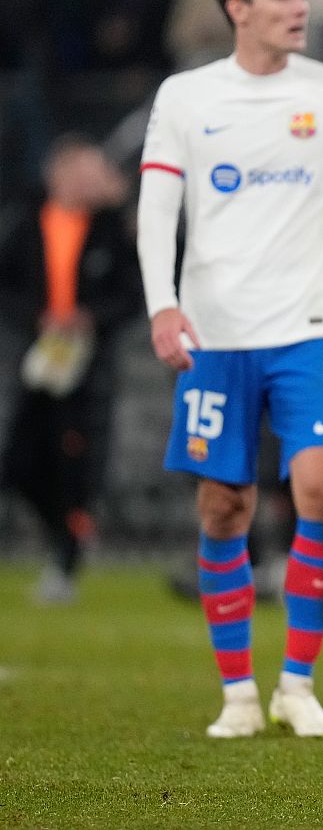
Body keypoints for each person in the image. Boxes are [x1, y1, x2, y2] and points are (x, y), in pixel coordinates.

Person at [135, 0, 323, 740]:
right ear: (239, 8)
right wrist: (164, 306)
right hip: (217, 336)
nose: (299, 6)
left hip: (308, 332)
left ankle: (297, 684)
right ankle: (238, 689)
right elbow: (156, 210)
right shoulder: (188, 95)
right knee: (224, 503)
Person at [0, 135, 141, 604]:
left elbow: (131, 296)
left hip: (89, 370)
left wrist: (90, 319)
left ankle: (66, 558)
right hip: (38, 362)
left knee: (76, 464)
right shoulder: (27, 223)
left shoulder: (110, 229)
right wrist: (36, 317)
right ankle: (61, 531)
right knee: (21, 459)